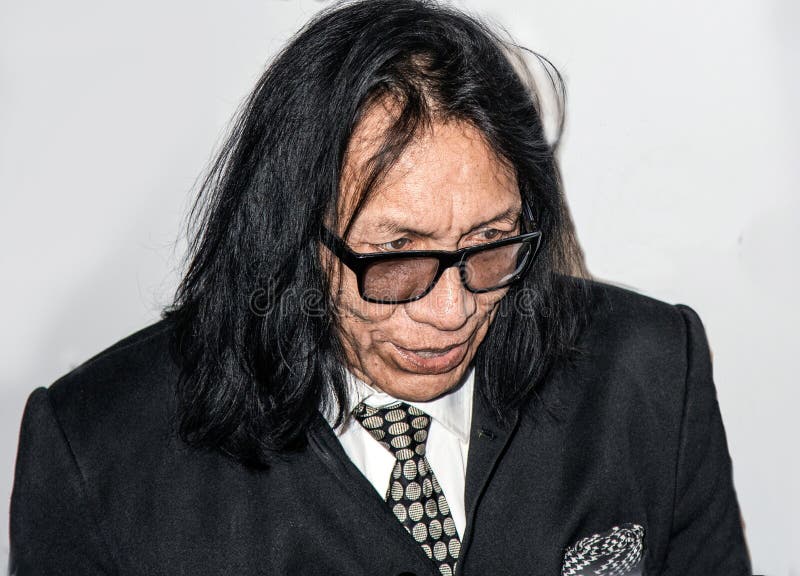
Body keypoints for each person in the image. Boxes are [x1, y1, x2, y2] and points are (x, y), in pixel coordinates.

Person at [9, 0, 752, 574]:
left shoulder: (655, 369)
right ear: (293, 235)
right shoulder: (96, 450)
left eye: (492, 244)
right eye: (397, 257)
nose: (454, 310)